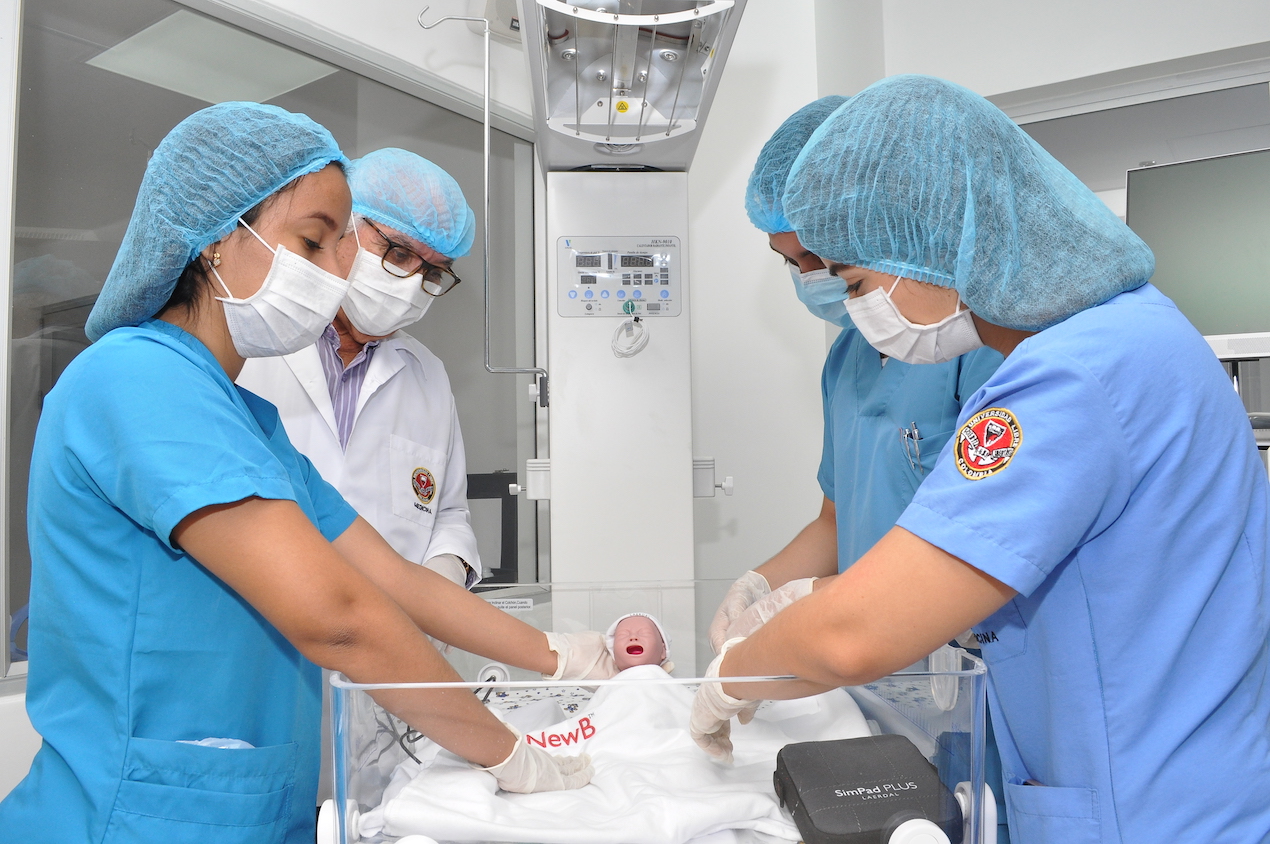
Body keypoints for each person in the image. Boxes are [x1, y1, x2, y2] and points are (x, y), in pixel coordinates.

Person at [0, 102, 615, 844]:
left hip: (246, 806)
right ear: (219, 237)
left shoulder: (246, 420)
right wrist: (509, 755)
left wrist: (561, 654)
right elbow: (341, 616)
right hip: (135, 815)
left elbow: (396, 579)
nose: (335, 275)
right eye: (315, 243)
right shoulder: (136, 378)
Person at [690, 76, 1270, 843]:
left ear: (937, 240)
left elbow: (854, 636)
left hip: (1156, 810)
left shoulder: (1073, 376)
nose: (857, 308)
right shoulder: (1130, 336)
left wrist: (732, 676)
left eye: (858, 281)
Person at [709, 96, 1001, 648]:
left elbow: (984, 542)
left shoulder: (978, 344)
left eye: (824, 257)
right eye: (792, 263)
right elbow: (836, 521)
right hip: (879, 660)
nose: (813, 278)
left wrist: (820, 600)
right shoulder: (847, 359)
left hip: (966, 652)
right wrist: (759, 586)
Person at [237, 148, 482, 592]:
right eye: (397, 252)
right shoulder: (251, 341)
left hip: (391, 638)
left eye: (433, 271)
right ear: (343, 224)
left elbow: (448, 513)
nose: (411, 283)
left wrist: (445, 577)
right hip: (269, 631)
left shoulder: (427, 376)